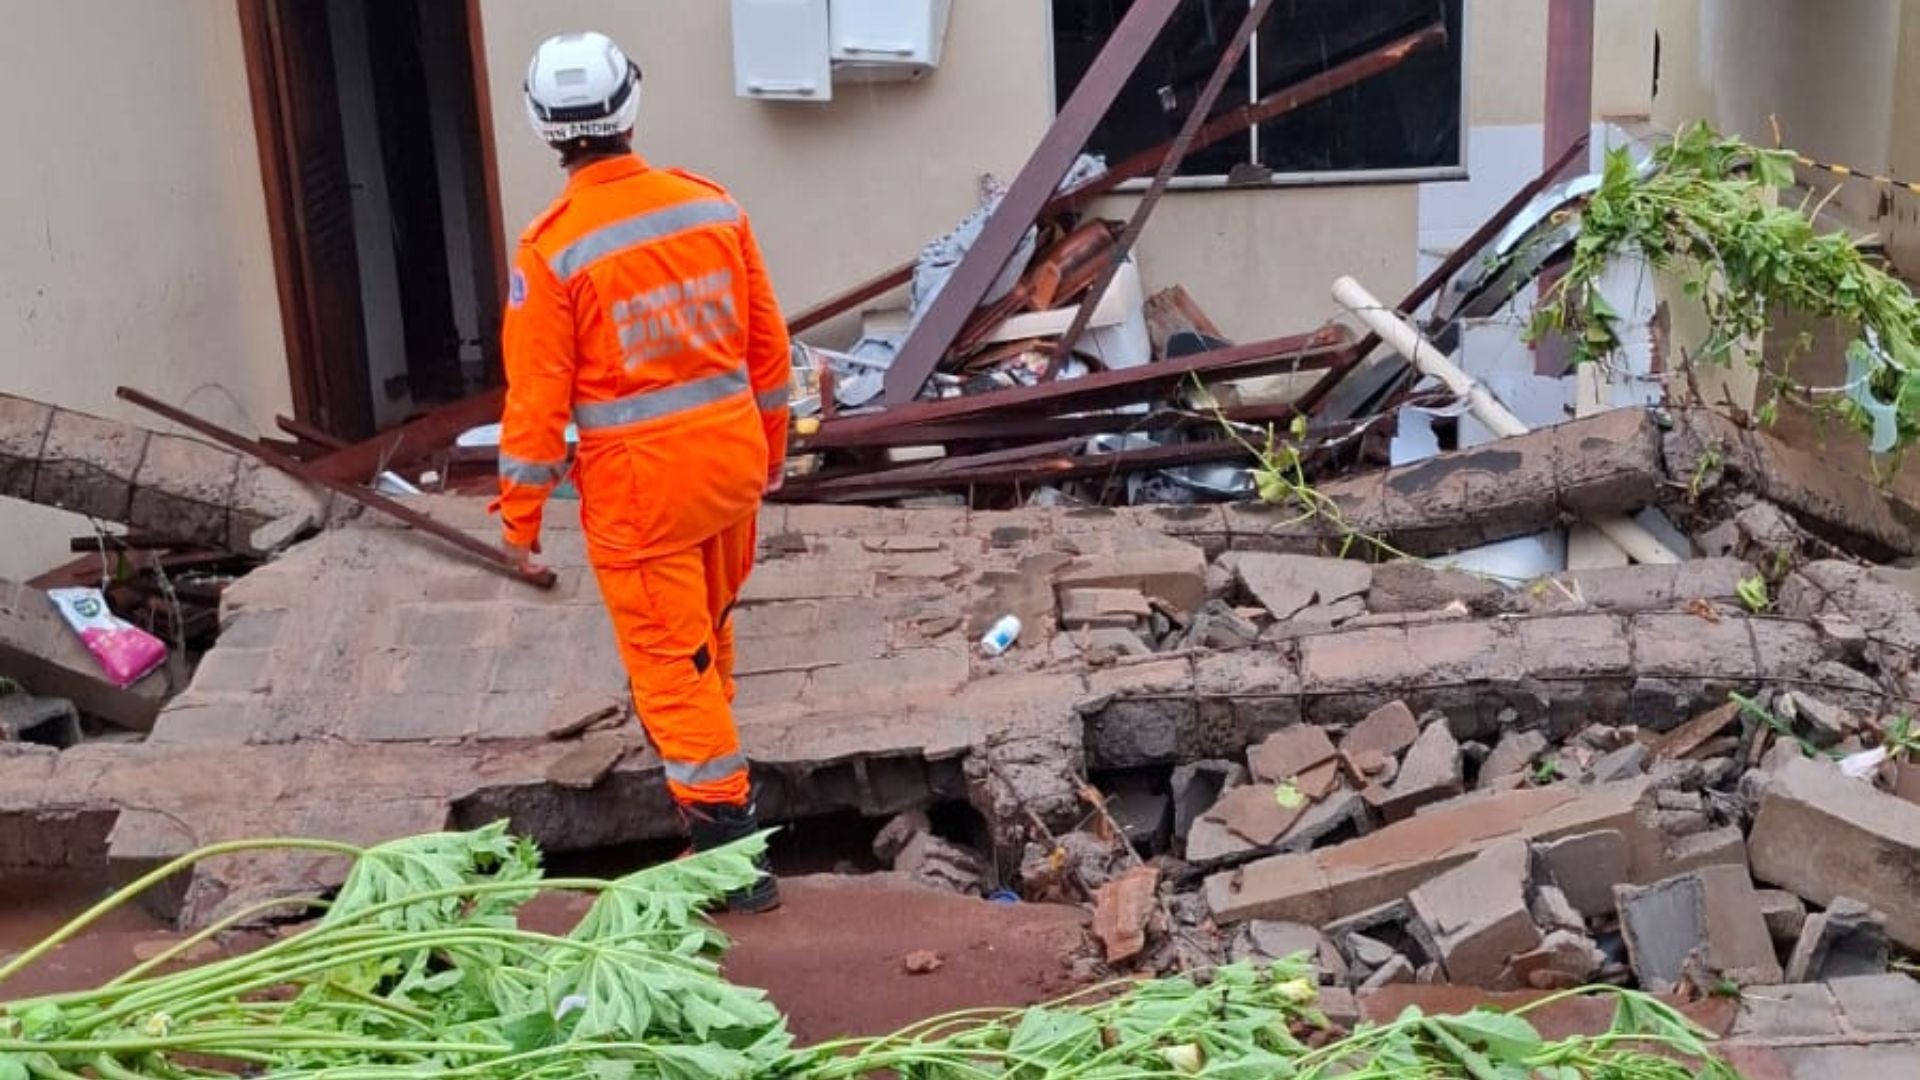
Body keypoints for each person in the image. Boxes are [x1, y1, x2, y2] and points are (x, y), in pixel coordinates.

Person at [494, 31, 791, 913]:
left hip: (640, 497)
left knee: (669, 666)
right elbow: (769, 354)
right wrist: (771, 454)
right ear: (630, 106)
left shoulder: (553, 250)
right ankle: (710, 807)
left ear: (546, 128)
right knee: (708, 637)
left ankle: (734, 859)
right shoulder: (711, 209)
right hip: (729, 471)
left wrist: (518, 522)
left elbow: (536, 405)